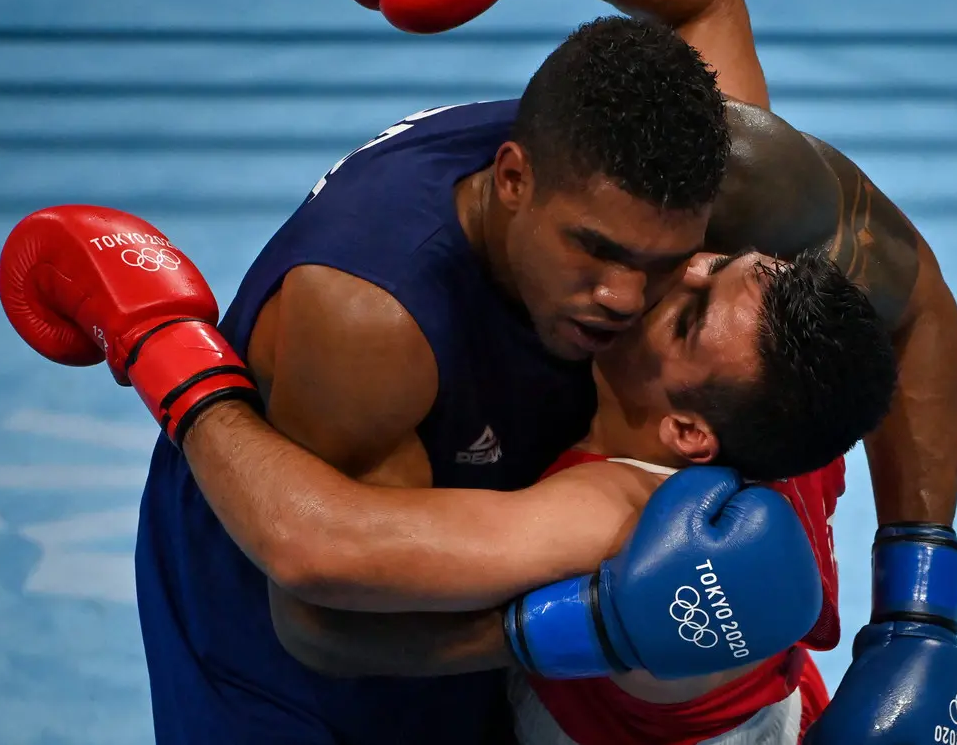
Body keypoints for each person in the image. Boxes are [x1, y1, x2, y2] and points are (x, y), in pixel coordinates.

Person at [0, 0, 957, 743]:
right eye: (596, 251)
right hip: (291, 680)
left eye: (668, 263)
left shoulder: (693, 291)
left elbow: (331, 583)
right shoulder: (368, 322)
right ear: (513, 178)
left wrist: (162, 346)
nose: (631, 295)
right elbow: (313, 605)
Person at [268, 245, 900, 745]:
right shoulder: (797, 406)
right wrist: (923, 608)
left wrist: (186, 379)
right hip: (785, 714)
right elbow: (915, 295)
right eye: (721, 261)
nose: (685, 268)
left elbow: (320, 604)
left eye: (686, 319)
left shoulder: (605, 512)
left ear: (687, 432)